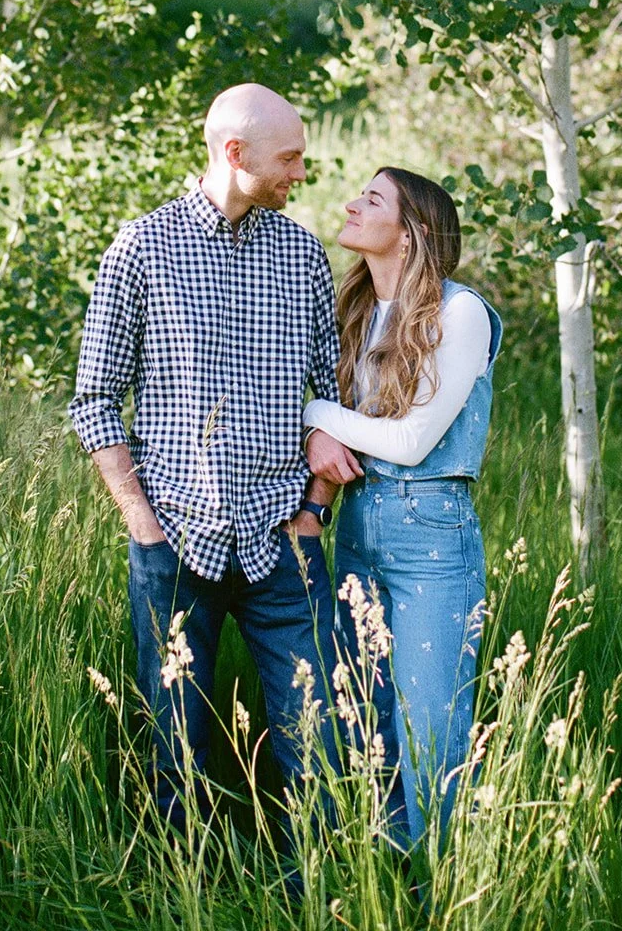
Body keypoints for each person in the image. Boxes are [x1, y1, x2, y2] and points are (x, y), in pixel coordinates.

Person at [69, 83, 358, 827]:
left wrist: (313, 516)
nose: (301, 173)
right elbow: (94, 400)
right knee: (175, 747)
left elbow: (330, 400)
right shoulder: (141, 248)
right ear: (235, 153)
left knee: (319, 733)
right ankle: (183, 890)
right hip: (174, 540)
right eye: (289, 158)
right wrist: (143, 526)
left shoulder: (301, 253)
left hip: (284, 543)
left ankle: (322, 890)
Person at [303, 168, 503, 845]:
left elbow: (413, 442)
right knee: (366, 720)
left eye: (373, 199)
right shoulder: (355, 310)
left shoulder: (460, 312)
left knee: (432, 731)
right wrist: (319, 429)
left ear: (413, 232)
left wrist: (318, 416)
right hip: (358, 528)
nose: (353, 203)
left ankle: (443, 890)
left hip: (431, 536)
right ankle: (385, 887)